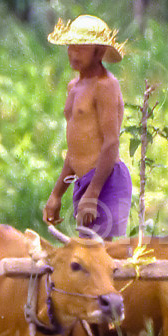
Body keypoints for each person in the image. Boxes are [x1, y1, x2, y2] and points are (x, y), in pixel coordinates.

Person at [43, 14, 132, 239]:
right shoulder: (74, 86)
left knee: (103, 259)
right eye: (71, 46)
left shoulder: (106, 86)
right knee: (86, 260)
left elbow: (111, 143)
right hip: (82, 182)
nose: (74, 53)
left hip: (106, 181)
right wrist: (56, 194)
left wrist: (93, 193)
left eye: (82, 48)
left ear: (99, 52)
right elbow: (75, 150)